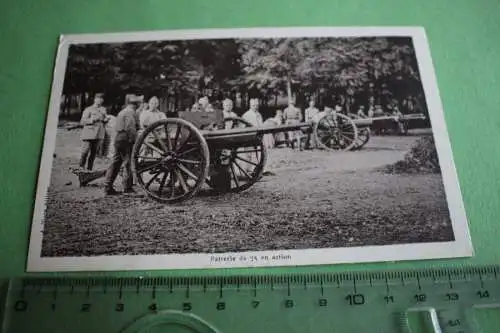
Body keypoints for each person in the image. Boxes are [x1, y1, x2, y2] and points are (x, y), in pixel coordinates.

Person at [104, 95, 142, 195]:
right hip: (125, 139)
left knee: (116, 162)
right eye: (139, 104)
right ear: (135, 104)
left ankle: (107, 186)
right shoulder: (130, 112)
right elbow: (130, 128)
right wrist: (134, 140)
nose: (139, 106)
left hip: (118, 138)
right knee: (128, 162)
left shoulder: (123, 111)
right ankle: (127, 187)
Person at [79, 93, 108, 171]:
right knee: (85, 152)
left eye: (101, 99)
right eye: (98, 98)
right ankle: (81, 167)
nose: (100, 100)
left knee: (93, 153)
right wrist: (93, 120)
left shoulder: (103, 110)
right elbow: (82, 121)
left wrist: (106, 120)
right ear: (95, 99)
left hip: (99, 134)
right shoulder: (89, 109)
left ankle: (89, 169)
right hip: (89, 134)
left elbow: (104, 120)